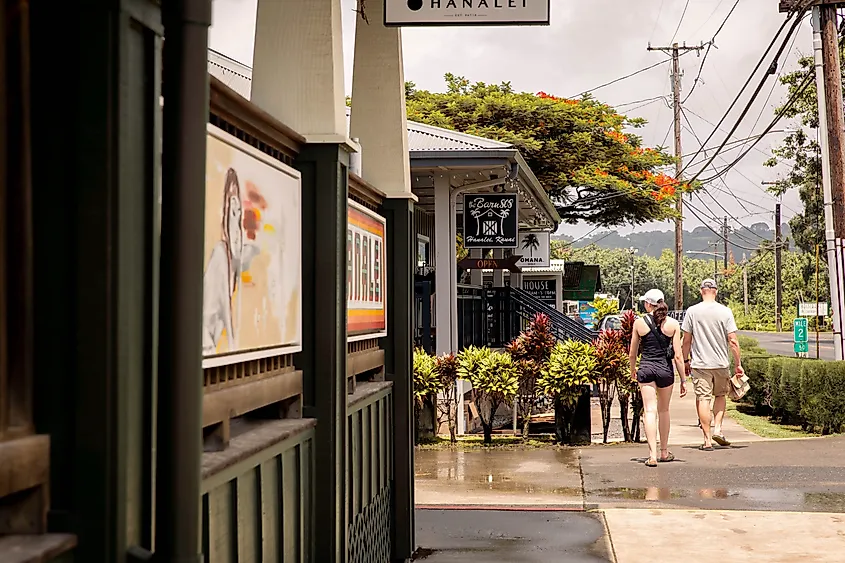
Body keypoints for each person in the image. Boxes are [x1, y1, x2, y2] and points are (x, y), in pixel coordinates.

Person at [681, 278, 744, 451]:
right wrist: (738, 364)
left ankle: (707, 440)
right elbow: (733, 340)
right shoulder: (725, 311)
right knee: (720, 396)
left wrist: (685, 360)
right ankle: (718, 429)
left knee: (703, 398)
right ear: (715, 291)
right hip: (721, 363)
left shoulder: (692, 311)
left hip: (700, 364)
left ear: (701, 291)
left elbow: (686, 340)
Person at [629, 289, 688, 467]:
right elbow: (678, 356)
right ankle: (664, 451)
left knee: (649, 411)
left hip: (646, 368)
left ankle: (652, 455)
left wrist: (633, 370)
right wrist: (683, 380)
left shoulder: (639, 323)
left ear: (648, 304)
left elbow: (633, 353)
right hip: (665, 370)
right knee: (664, 411)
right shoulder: (673, 324)